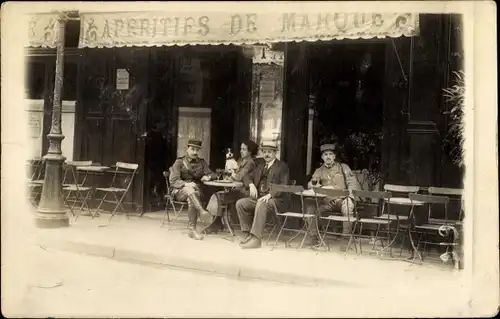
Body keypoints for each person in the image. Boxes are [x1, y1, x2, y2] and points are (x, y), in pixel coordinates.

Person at [235, 142, 290, 249]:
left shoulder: (282, 167)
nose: (266, 155)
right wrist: (251, 185)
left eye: (269, 152)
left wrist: (269, 195)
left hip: (277, 200)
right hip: (261, 198)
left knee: (261, 203)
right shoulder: (260, 166)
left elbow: (283, 186)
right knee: (241, 203)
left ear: (275, 153)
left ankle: (256, 239)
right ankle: (248, 234)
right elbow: (246, 176)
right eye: (264, 152)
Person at [307, 142, 360, 246]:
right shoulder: (319, 170)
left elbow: (352, 184)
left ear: (334, 156)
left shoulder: (343, 167)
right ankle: (314, 237)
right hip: (327, 203)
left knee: (348, 207)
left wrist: (350, 197)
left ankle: (345, 239)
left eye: (330, 154)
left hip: (342, 200)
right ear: (322, 157)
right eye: (325, 155)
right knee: (311, 208)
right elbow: (310, 184)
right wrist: (316, 185)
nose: (328, 157)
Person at [203, 140, 259, 234]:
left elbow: (239, 176)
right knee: (217, 196)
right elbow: (234, 176)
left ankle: (216, 223)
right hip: (236, 189)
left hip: (244, 191)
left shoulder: (250, 163)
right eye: (241, 149)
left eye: (244, 149)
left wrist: (232, 173)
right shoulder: (241, 161)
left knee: (218, 196)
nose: (241, 151)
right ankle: (216, 222)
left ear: (250, 151)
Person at [169, 139, 217, 240]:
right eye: (192, 149)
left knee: (192, 194)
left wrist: (208, 177)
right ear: (187, 149)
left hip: (196, 192)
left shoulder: (202, 162)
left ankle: (192, 230)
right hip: (179, 191)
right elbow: (173, 180)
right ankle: (201, 211)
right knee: (190, 189)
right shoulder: (179, 162)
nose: (195, 152)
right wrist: (187, 184)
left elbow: (213, 174)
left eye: (197, 150)